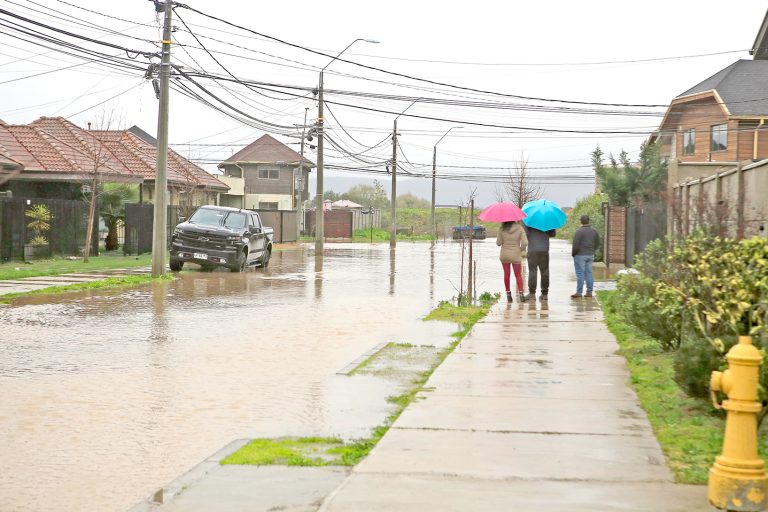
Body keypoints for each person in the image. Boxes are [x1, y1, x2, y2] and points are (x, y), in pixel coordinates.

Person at [496, 221, 528, 302]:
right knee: (518, 275)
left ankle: (508, 294)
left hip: (504, 254)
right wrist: (520, 249)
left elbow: (498, 243)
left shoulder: (501, 228)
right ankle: (521, 293)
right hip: (516, 254)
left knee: (506, 274)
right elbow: (525, 242)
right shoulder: (520, 228)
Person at [571, 214, 600, 298]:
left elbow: (575, 245)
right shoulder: (594, 231)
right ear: (588, 221)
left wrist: (574, 254)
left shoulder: (579, 231)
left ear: (581, 221)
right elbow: (598, 243)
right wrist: (593, 250)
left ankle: (579, 292)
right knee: (589, 273)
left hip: (580, 255)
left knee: (580, 274)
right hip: (590, 255)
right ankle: (589, 292)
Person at [524, 226, 556, 301]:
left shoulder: (529, 220)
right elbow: (553, 234)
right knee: (545, 271)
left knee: (532, 271)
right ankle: (544, 294)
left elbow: (525, 234)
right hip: (544, 249)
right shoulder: (548, 221)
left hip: (532, 249)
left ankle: (532, 294)